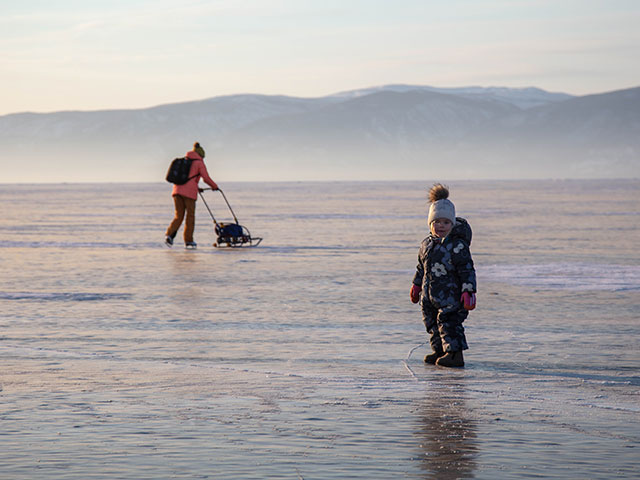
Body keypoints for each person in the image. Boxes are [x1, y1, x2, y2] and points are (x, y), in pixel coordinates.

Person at [410, 184, 477, 367]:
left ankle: (455, 354)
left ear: (452, 224)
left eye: (446, 223)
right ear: (430, 224)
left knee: (449, 322)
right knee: (432, 323)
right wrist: (416, 286)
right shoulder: (426, 244)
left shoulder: (457, 246)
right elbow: (420, 267)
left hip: (451, 296)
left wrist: (468, 291)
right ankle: (439, 351)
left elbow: (467, 269)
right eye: (437, 222)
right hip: (430, 295)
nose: (441, 226)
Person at [165, 142, 218, 249]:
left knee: (178, 215)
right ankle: (188, 240)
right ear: (201, 155)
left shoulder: (185, 160)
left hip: (176, 191)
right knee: (190, 216)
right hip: (189, 194)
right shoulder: (199, 163)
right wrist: (214, 186)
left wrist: (197, 188)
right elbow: (206, 178)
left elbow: (189, 179)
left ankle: (169, 235)